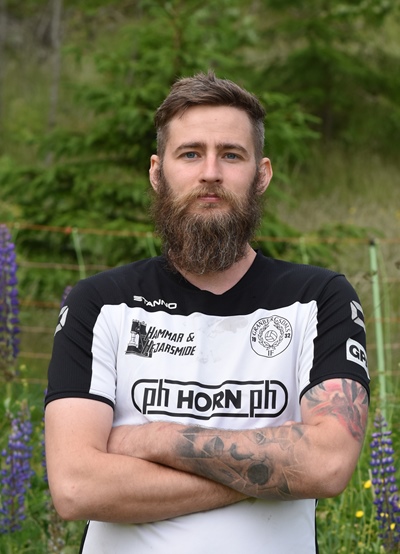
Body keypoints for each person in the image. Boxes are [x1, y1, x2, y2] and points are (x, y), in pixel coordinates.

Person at [44, 71, 370, 554]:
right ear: (158, 173)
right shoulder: (99, 302)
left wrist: (152, 440)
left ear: (262, 175)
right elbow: (76, 487)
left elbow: (327, 465)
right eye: (191, 153)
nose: (211, 172)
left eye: (231, 155)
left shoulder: (319, 299)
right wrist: (272, 469)